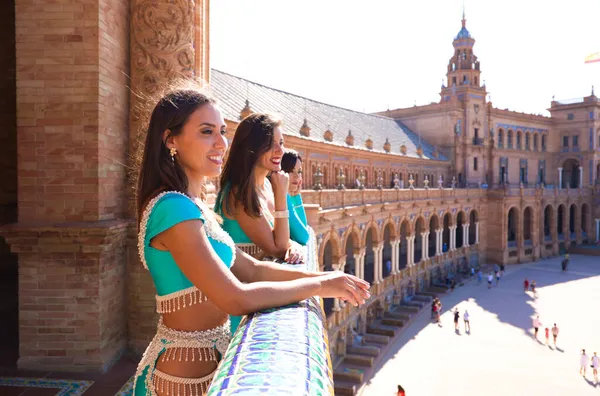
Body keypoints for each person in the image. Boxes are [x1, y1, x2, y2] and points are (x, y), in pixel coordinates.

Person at [132, 86, 371, 395]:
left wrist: (326, 275)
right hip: (178, 381)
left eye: (222, 131)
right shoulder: (172, 209)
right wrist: (320, 287)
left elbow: (254, 269)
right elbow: (236, 298)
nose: (221, 143)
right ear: (170, 140)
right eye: (207, 132)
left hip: (210, 365)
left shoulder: (193, 205)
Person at [216, 112, 302, 262]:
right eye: (270, 144)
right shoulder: (239, 193)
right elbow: (279, 249)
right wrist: (281, 194)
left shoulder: (267, 184)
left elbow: (282, 239)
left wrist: (293, 245)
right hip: (245, 282)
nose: (280, 151)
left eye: (281, 143)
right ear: (252, 148)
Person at [280, 149, 309, 245]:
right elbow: (303, 237)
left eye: (299, 171)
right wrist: (285, 192)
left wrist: (296, 196)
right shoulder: (276, 196)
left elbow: (304, 228)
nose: (297, 176)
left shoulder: (286, 196)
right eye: (291, 171)